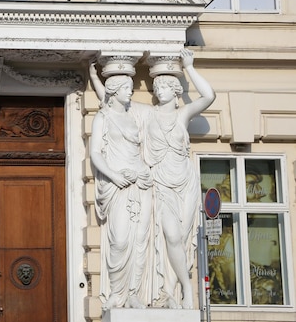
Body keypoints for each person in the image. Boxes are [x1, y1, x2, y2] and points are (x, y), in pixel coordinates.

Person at [145, 48, 215, 309]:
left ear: (176, 93)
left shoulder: (182, 115)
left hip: (184, 183)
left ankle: (176, 289)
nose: (159, 90)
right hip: (161, 184)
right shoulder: (148, 115)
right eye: (157, 87)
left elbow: (209, 96)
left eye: (164, 86)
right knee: (171, 237)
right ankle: (184, 285)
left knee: (182, 240)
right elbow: (114, 103)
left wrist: (189, 67)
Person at [89, 65, 153, 310]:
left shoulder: (135, 114)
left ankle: (134, 293)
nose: (131, 92)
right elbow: (95, 153)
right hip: (118, 184)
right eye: (126, 88)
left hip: (140, 181)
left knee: (140, 239)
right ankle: (117, 293)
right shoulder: (103, 117)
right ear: (114, 92)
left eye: (130, 87)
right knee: (120, 240)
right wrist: (114, 176)